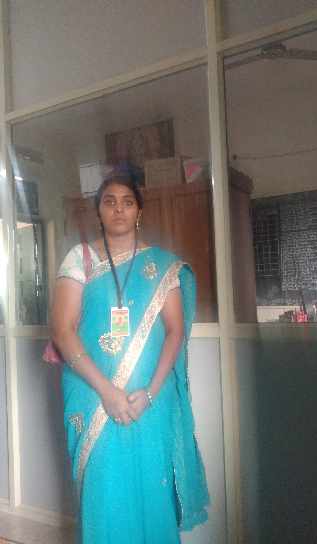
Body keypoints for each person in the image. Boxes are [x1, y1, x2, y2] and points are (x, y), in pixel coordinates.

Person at [51, 165, 209, 543]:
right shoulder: (79, 259)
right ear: (98, 210)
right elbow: (62, 331)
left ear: (139, 210)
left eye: (127, 202)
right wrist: (108, 392)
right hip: (92, 396)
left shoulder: (161, 267)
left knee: (150, 488)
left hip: (147, 400)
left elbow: (175, 331)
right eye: (109, 202)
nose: (119, 209)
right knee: (105, 492)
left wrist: (151, 393)